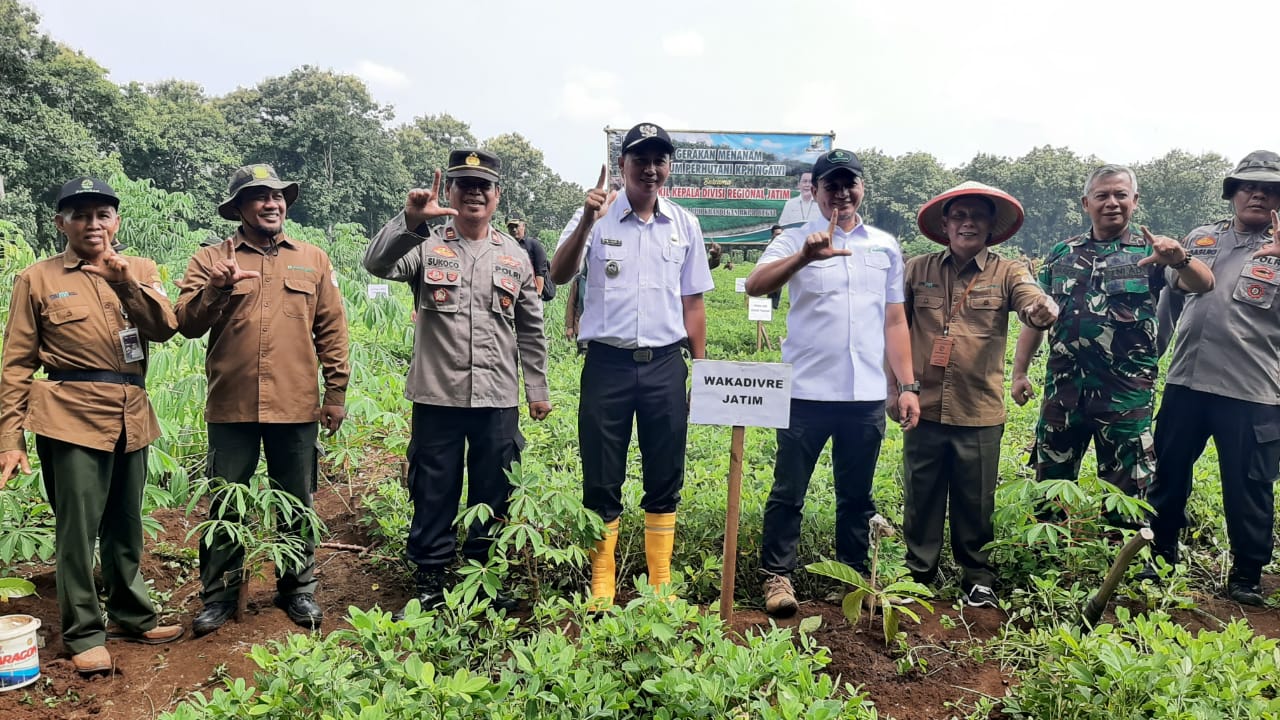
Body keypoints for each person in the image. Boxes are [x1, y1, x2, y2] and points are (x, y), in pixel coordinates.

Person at [0, 177, 182, 674]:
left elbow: (165, 328)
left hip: (131, 413)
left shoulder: (141, 269)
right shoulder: (36, 279)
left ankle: (132, 615)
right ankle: (83, 633)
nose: (93, 224)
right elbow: (16, 363)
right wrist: (9, 439)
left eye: (102, 214)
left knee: (125, 524)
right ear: (61, 222)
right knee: (77, 531)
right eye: (80, 215)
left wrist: (124, 281)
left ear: (116, 220)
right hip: (69, 415)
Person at [365, 149, 551, 615]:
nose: (473, 192)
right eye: (463, 183)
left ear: (496, 195)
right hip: (438, 395)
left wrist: (538, 389)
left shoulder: (514, 255)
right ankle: (431, 575)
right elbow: (376, 265)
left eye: (482, 185)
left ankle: (481, 574)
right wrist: (408, 220)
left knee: (494, 488)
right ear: (449, 191)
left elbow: (530, 327)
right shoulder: (425, 244)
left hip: (497, 396)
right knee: (434, 486)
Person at [744, 149, 920, 618]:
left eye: (850, 184)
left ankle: (855, 578)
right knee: (788, 490)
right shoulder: (793, 240)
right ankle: (777, 577)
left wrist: (906, 384)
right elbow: (755, 285)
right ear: (816, 192)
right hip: (803, 393)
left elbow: (895, 320)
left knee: (857, 495)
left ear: (862, 188)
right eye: (831, 186)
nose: (841, 194)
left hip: (863, 395)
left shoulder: (884, 245)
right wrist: (804, 256)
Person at [177, 164, 351, 635]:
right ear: (238, 208)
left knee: (296, 500)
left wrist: (335, 392)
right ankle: (220, 596)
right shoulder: (211, 259)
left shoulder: (312, 259)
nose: (271, 203)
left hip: (296, 405)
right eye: (259, 197)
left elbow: (332, 329)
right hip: (231, 405)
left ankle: (298, 589)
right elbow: (186, 324)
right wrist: (217, 287)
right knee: (225, 503)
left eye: (277, 196)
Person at [549, 122, 713, 607]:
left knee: (666, 472)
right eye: (640, 159)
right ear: (622, 166)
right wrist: (584, 220)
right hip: (607, 366)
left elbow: (694, 304)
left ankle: (658, 580)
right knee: (601, 473)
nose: (651, 168)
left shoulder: (685, 224)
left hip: (665, 365)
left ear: (668, 167)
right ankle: (602, 581)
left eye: (659, 159)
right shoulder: (595, 217)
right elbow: (558, 275)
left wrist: (700, 370)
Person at [893, 182, 1058, 608]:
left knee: (975, 496)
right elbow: (893, 329)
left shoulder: (1009, 272)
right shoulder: (917, 269)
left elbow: (1029, 300)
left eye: (977, 216)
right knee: (921, 492)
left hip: (979, 408)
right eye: (959, 215)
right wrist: (896, 389)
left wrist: (1040, 310)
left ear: (990, 226)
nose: (968, 223)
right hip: (922, 405)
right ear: (945, 224)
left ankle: (977, 574)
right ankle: (918, 571)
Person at [1012, 165, 1213, 498]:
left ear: (1134, 201)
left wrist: (1180, 259)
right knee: (1050, 492)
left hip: (1125, 396)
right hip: (1064, 393)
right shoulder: (1063, 253)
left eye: (1121, 195)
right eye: (1102, 195)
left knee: (1125, 498)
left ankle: (1119, 551)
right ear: (1085, 202)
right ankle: (1054, 550)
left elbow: (1203, 284)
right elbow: (1036, 318)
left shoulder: (1153, 253)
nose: (1112, 203)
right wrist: (1019, 372)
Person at [1144, 151, 1280, 605]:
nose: (1257, 193)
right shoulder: (1201, 238)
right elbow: (1170, 302)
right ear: (1233, 192)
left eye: (1269, 188)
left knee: (1248, 485)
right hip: (1186, 381)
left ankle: (1246, 573)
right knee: (1167, 471)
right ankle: (1161, 555)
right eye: (1248, 186)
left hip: (1253, 389)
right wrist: (1153, 360)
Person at [507, 218, 553, 301]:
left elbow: (540, 270)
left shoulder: (533, 244)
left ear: (524, 226)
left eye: (516, 226)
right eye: (511, 227)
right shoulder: (506, 246)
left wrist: (537, 295)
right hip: (513, 293)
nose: (514, 230)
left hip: (532, 293)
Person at [766, 224, 785, 309]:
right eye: (777, 234)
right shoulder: (769, 244)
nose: (779, 236)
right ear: (773, 235)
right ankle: (770, 305)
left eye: (781, 234)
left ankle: (775, 305)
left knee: (778, 287)